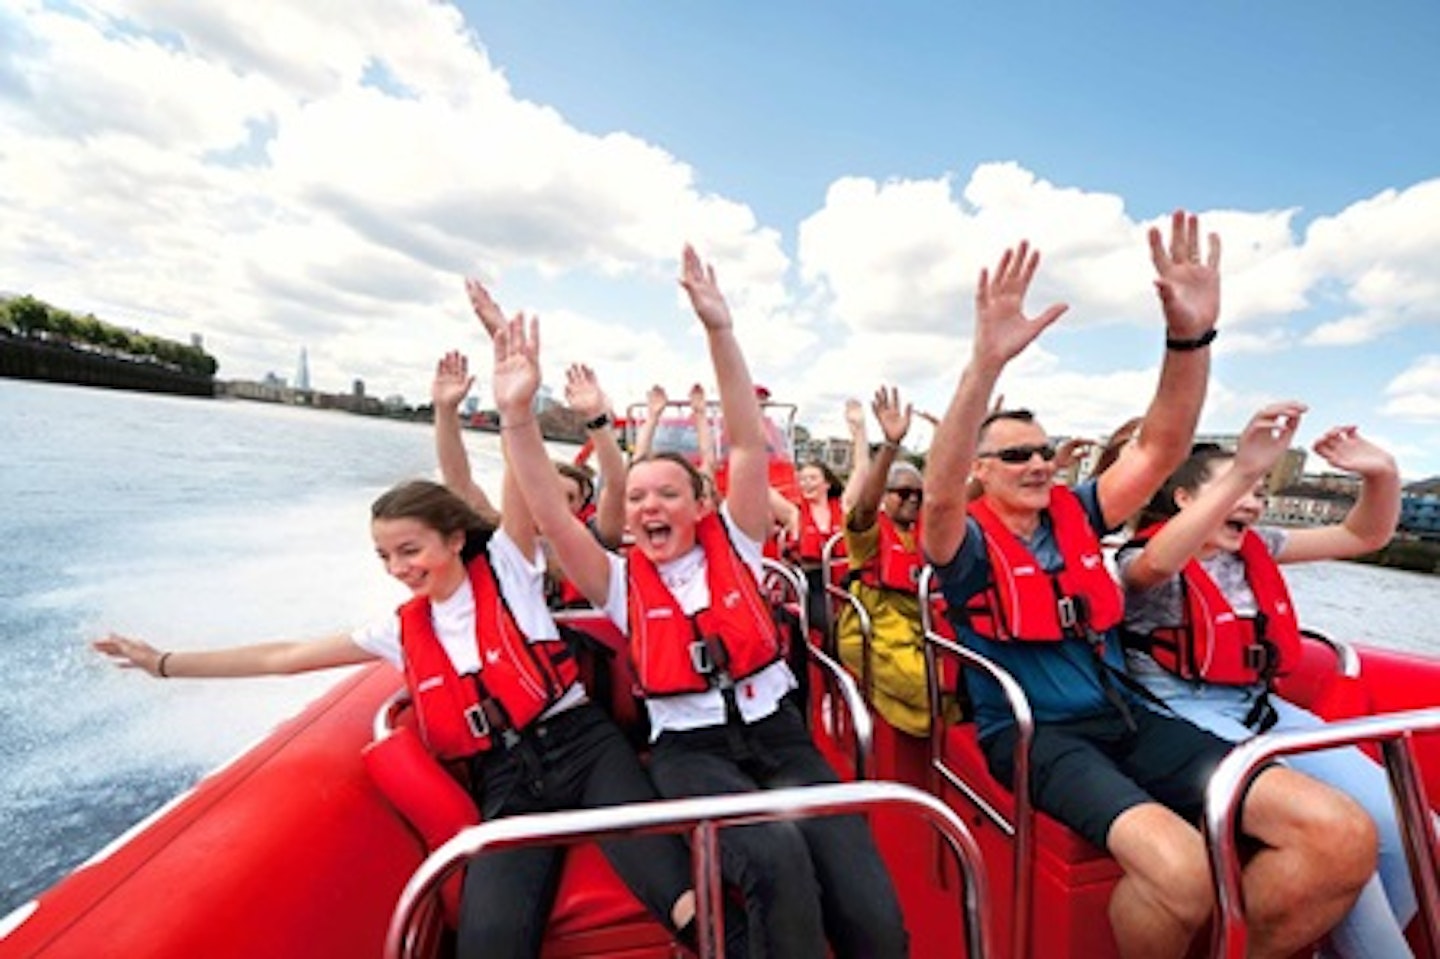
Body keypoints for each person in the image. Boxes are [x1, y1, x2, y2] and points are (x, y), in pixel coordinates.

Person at [921, 212, 1376, 959]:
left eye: (1042, 450)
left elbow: (1162, 445)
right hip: (1039, 738)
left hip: (1128, 717)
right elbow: (939, 499)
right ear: (980, 469)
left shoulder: (1082, 513)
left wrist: (1190, 336)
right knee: (1183, 873)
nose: (1037, 463)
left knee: (1341, 834)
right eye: (1013, 456)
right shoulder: (965, 545)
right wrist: (985, 365)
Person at [487, 247, 908, 959]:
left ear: (702, 504)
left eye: (668, 493)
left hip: (780, 733)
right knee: (776, 864)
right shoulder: (618, 580)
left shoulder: (739, 543)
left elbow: (745, 441)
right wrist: (516, 414)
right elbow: (551, 515)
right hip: (688, 751)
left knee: (871, 910)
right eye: (639, 495)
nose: (649, 505)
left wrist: (720, 331)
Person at [93, 476, 710, 959]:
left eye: (409, 550)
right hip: (508, 781)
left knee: (682, 899)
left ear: (453, 540)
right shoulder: (398, 629)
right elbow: (286, 657)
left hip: (585, 747)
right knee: (489, 939)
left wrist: (513, 405)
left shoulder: (511, 572)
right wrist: (164, 663)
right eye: (384, 556)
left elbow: (520, 482)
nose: (397, 569)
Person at [1117, 402, 1414, 958]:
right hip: (1182, 713)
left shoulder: (1259, 547)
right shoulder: (1141, 563)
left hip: (1263, 711)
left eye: (1258, 490)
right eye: (1238, 486)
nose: (1253, 500)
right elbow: (1156, 565)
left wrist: (1382, 473)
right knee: (1351, 848)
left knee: (1408, 829)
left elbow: (1362, 536)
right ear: (1183, 499)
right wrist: (1247, 470)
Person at [835, 385, 940, 737]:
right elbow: (864, 505)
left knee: (963, 689)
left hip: (922, 624)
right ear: (885, 497)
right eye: (903, 493)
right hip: (875, 629)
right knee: (931, 691)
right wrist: (890, 445)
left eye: (918, 494)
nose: (913, 500)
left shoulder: (930, 532)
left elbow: (965, 495)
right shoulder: (868, 532)